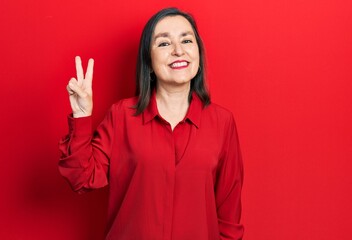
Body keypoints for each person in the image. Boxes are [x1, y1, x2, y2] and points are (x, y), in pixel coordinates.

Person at [59, 7, 244, 240]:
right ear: (148, 59)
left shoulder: (223, 123)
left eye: (187, 40)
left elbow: (228, 217)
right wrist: (82, 116)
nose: (178, 50)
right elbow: (82, 178)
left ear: (198, 52)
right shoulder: (121, 115)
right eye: (164, 43)